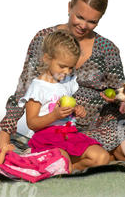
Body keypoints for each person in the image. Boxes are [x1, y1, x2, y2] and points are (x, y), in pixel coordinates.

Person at [0, 0, 125, 163]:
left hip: (102, 123)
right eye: (79, 17)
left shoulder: (108, 49)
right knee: (89, 151)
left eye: (92, 21)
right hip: (58, 126)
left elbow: (120, 90)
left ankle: (86, 157)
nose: (83, 25)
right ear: (69, 7)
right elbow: (24, 87)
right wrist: (6, 130)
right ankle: (89, 158)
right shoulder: (44, 40)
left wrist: (118, 99)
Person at [20, 29, 109, 171]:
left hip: (69, 134)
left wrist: (77, 109)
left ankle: (67, 167)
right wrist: (54, 116)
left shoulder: (67, 82)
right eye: (62, 66)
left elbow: (69, 106)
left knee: (102, 158)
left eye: (70, 67)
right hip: (47, 138)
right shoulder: (38, 87)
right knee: (62, 160)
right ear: (46, 58)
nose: (67, 71)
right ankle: (52, 162)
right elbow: (32, 123)